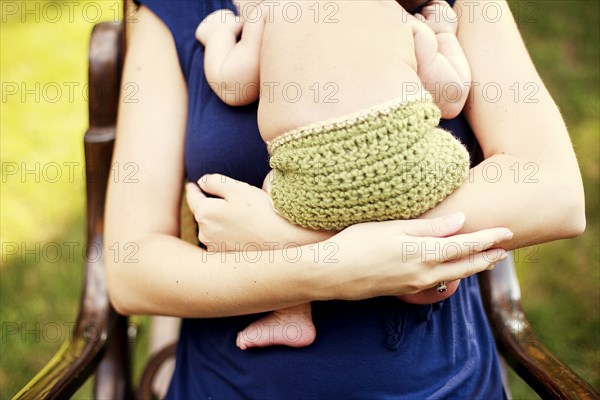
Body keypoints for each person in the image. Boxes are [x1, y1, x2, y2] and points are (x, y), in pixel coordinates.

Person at [105, 0, 585, 398]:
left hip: (438, 384)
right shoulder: (178, 14)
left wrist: (285, 237)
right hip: (236, 385)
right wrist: (334, 268)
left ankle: (298, 309)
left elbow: (553, 192)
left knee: (278, 186)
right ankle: (414, 282)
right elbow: (131, 272)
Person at [195, 0, 473, 350]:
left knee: (267, 197)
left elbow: (233, 87)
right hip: (409, 172)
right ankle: (429, 277)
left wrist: (219, 35)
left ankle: (291, 310)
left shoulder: (270, 12)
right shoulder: (398, 16)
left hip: (313, 186)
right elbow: (450, 98)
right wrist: (444, 36)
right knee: (443, 154)